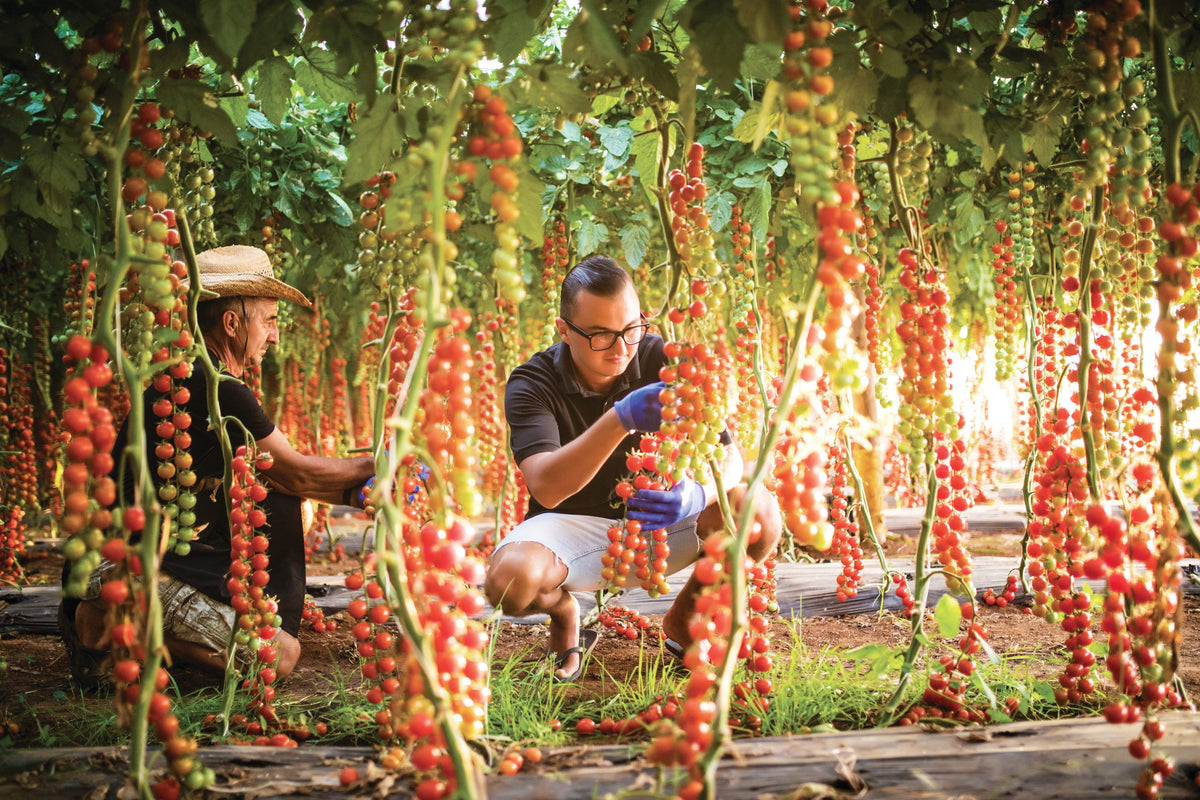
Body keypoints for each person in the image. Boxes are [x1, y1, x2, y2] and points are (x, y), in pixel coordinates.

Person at [59, 245, 375, 688]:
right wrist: (379, 463)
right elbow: (294, 472)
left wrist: (360, 492)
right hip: (130, 569)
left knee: (290, 512)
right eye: (268, 320)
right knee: (277, 658)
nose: (275, 336)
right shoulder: (220, 392)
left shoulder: (187, 381)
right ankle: (114, 624)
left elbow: (276, 478)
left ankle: (120, 619)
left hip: (131, 558)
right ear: (231, 324)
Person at [485, 255, 781, 681]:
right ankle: (564, 612)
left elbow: (730, 458)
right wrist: (619, 418)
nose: (622, 348)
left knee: (759, 512)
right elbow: (546, 487)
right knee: (510, 583)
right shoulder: (532, 382)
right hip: (571, 529)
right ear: (564, 330)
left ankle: (683, 620)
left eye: (631, 329)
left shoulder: (664, 356)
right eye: (602, 335)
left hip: (658, 528)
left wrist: (696, 495)